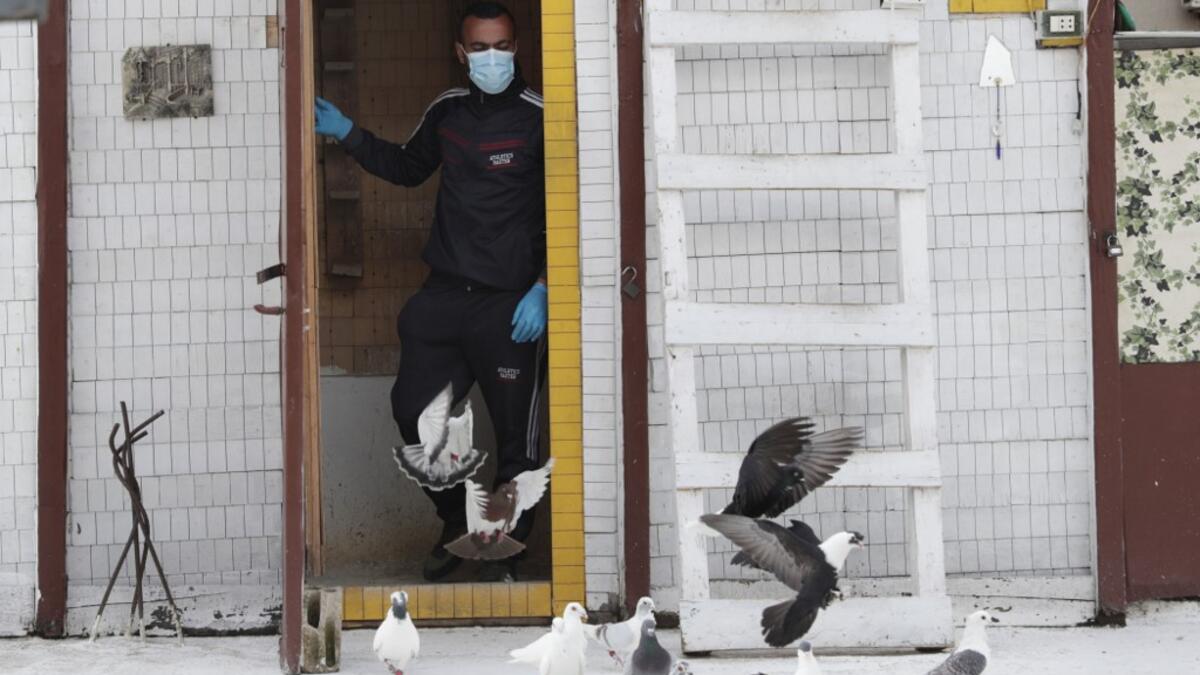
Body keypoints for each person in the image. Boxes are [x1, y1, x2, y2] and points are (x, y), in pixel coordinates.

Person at [314, 1, 546, 583]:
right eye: (481, 48)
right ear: (461, 52)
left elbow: (567, 207)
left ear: (516, 49)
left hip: (509, 305)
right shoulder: (447, 111)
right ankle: (453, 520)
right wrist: (349, 134)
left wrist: (543, 288)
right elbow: (407, 166)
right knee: (413, 415)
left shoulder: (541, 116)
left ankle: (501, 564)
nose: (493, 58)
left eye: (502, 47)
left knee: (519, 448)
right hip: (443, 297)